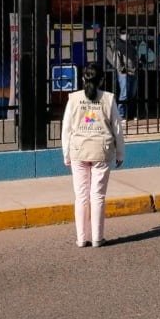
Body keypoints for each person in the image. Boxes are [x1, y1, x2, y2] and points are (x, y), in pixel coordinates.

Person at [61, 64, 125, 247]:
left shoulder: (73, 99)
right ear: (102, 80)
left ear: (83, 79)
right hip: (102, 151)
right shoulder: (108, 98)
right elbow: (117, 128)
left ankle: (82, 238)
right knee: (97, 196)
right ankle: (97, 237)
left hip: (78, 151)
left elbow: (66, 129)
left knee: (81, 196)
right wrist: (120, 152)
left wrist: (66, 153)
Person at [107, 27, 137, 120]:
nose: (126, 35)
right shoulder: (118, 46)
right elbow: (117, 61)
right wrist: (122, 69)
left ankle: (130, 115)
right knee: (124, 94)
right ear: (120, 35)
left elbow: (135, 57)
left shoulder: (130, 45)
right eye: (124, 33)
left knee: (132, 94)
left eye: (127, 34)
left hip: (133, 72)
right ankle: (121, 115)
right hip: (124, 73)